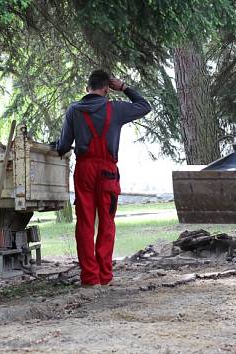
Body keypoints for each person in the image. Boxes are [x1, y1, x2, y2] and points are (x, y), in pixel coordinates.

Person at [56, 69, 151, 287]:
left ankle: (90, 278)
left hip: (84, 170)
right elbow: (145, 106)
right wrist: (125, 87)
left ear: (87, 88)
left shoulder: (73, 111)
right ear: (107, 89)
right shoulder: (115, 109)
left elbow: (62, 146)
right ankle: (105, 276)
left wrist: (60, 146)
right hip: (108, 172)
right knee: (107, 223)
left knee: (85, 223)